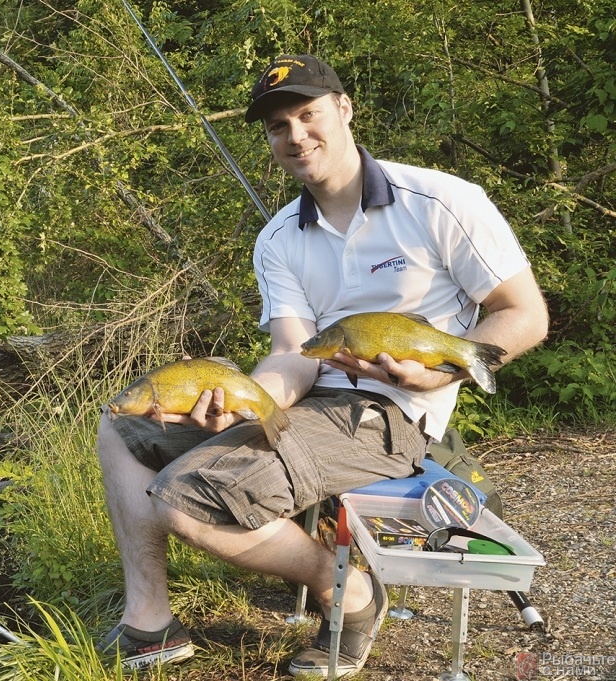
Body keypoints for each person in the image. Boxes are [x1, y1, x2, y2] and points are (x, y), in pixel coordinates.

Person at [94, 54, 549, 677]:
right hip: (309, 405)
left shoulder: (442, 201)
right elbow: (293, 354)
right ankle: (150, 622)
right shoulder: (279, 239)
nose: (296, 135)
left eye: (308, 114)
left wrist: (442, 372)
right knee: (122, 426)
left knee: (186, 500)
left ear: (344, 110)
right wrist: (247, 401)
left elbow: (524, 314)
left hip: (390, 413)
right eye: (278, 127)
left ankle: (353, 594)